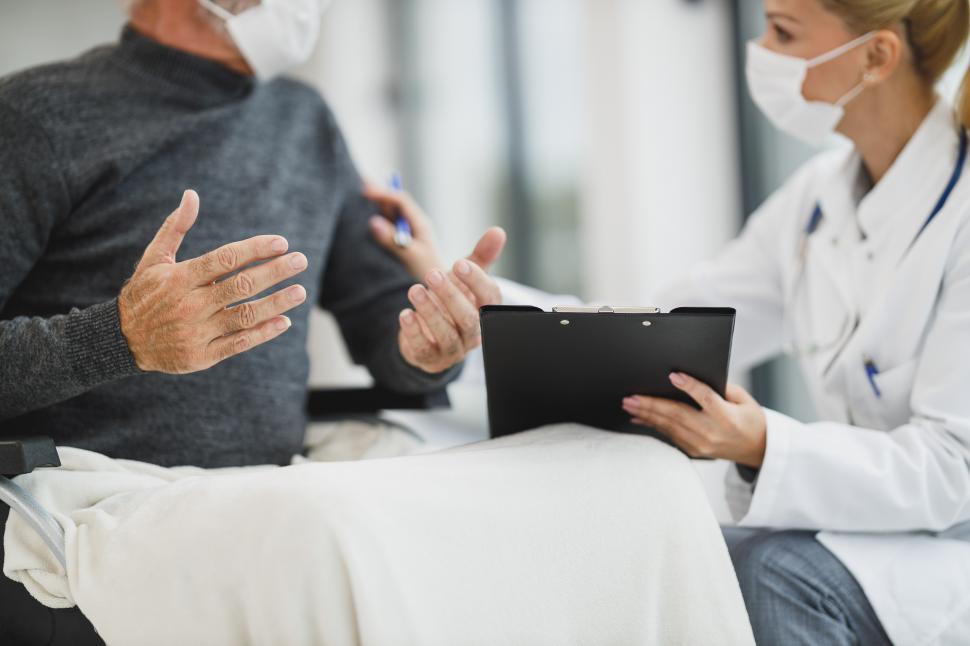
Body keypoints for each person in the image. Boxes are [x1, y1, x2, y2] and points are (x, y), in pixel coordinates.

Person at [373, 0, 970, 643]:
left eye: (784, 31)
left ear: (877, 57)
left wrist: (761, 442)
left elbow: (952, 469)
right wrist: (481, 309)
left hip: (943, 554)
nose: (760, 51)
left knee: (762, 570)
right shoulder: (815, 200)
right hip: (866, 536)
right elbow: (654, 327)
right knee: (658, 548)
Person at [0, 0, 505, 642]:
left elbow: (388, 328)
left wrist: (431, 344)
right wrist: (117, 339)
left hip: (262, 502)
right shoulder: (31, 117)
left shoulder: (306, 120)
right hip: (92, 508)